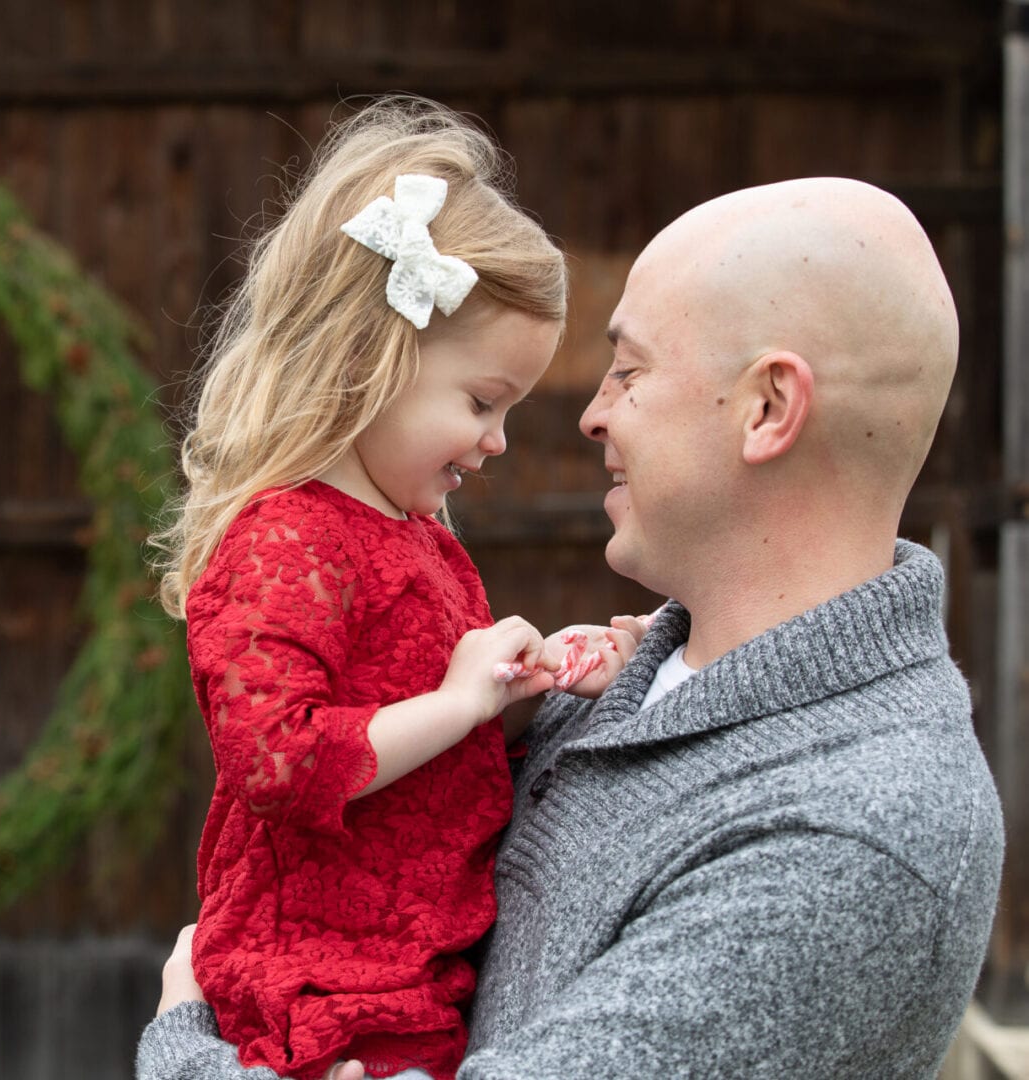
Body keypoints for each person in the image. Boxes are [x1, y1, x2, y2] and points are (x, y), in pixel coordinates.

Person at [137, 175, 1005, 1080]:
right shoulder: (625, 691)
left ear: (768, 408)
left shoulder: (849, 832)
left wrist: (183, 1047)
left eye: (628, 371)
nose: (591, 414)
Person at [148, 99, 630, 1080]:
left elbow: (421, 749)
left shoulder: (421, 543)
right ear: (372, 362)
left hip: (416, 968)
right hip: (320, 988)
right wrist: (459, 701)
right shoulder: (284, 541)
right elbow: (280, 761)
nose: (497, 441)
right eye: (482, 403)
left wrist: (522, 692)